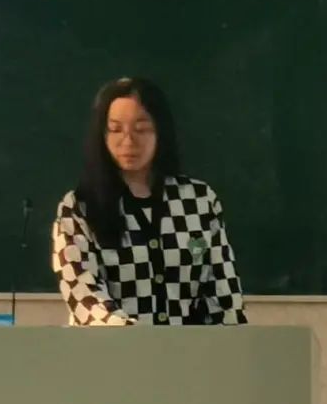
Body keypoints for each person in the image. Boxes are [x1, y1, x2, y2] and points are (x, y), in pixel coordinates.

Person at [51, 77, 247, 326]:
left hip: (190, 348)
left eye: (141, 129)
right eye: (116, 129)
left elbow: (225, 294)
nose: (128, 141)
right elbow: (84, 298)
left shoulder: (199, 201)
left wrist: (229, 339)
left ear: (160, 132)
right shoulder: (79, 208)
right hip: (112, 348)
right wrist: (142, 341)